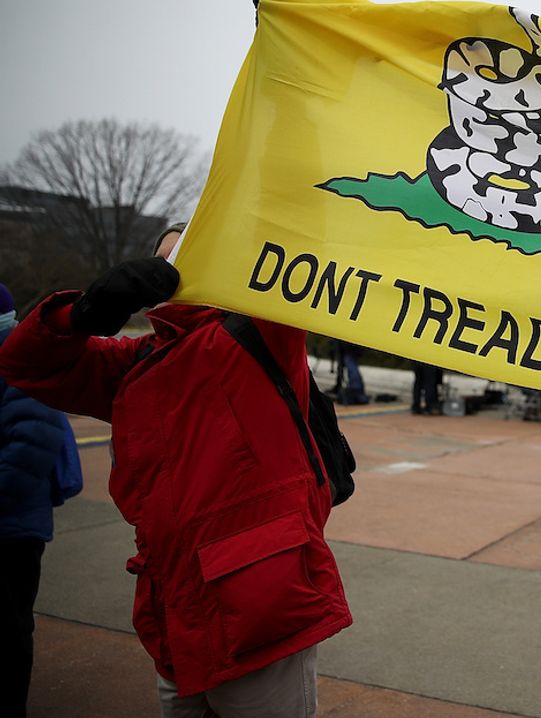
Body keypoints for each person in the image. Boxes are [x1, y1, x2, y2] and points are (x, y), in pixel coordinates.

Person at [0, 226, 352, 716]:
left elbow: (301, 241)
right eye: (160, 260)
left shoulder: (259, 334)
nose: (170, 268)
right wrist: (79, 316)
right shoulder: (138, 360)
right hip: (175, 611)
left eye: (188, 253)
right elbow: (25, 366)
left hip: (259, 611)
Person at [0, 282, 79, 718]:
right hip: (14, 519)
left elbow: (31, 443)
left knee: (10, 629)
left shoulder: (17, 358)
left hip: (13, 526)